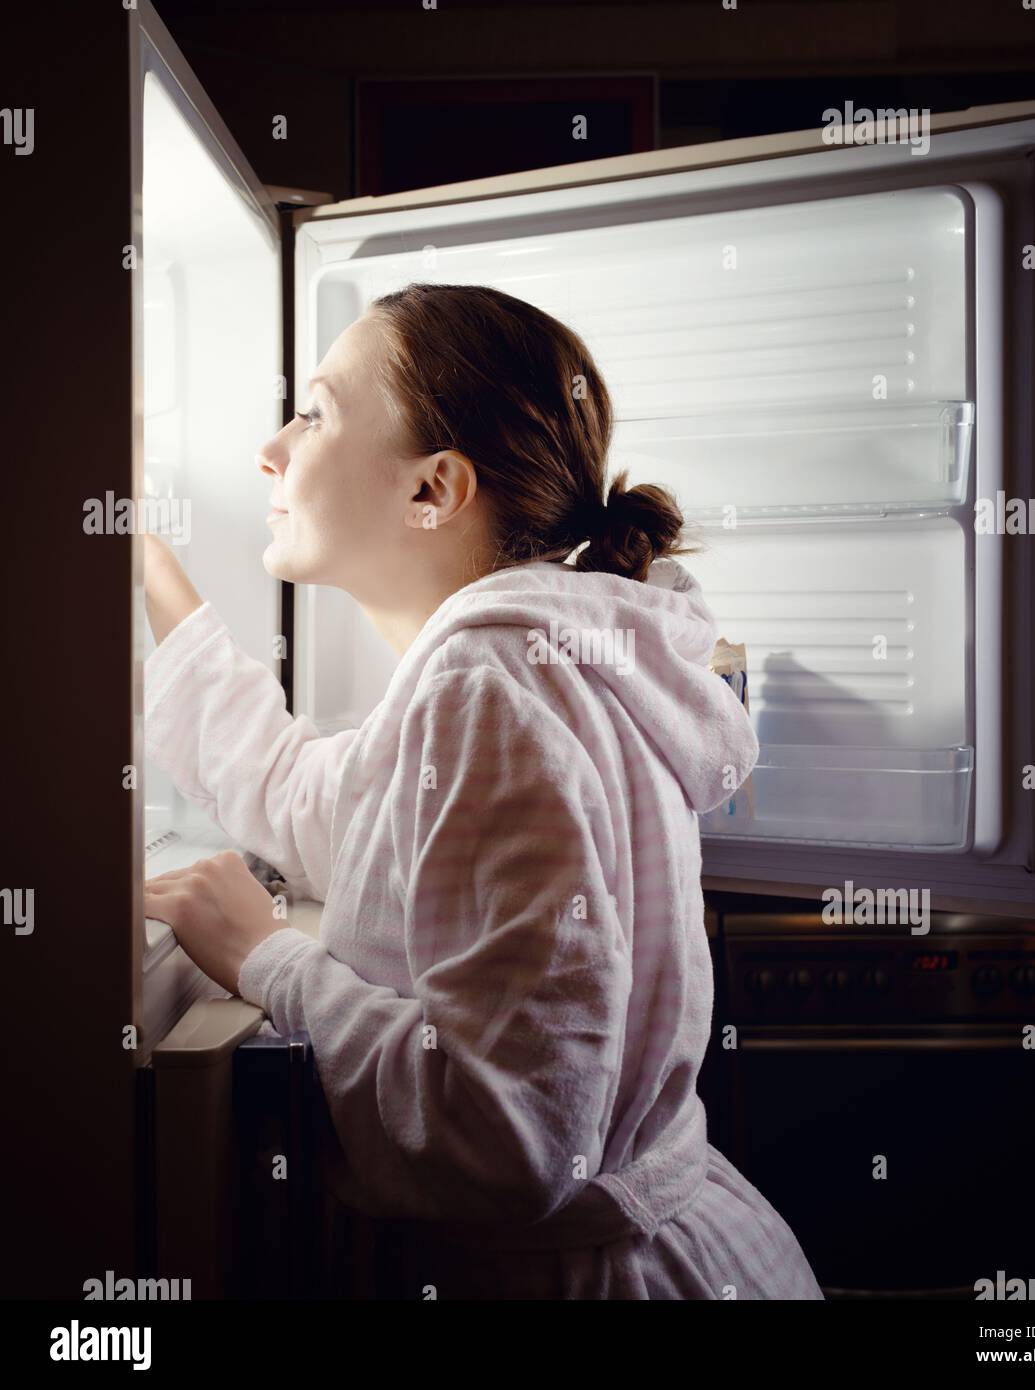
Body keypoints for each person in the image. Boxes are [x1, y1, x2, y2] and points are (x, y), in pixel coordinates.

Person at [143, 282, 823, 1300]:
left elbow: (510, 1138)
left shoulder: (491, 686)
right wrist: (145, 563)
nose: (271, 449)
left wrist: (268, 960)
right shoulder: (522, 664)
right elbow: (305, 792)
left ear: (435, 489)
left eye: (317, 413)